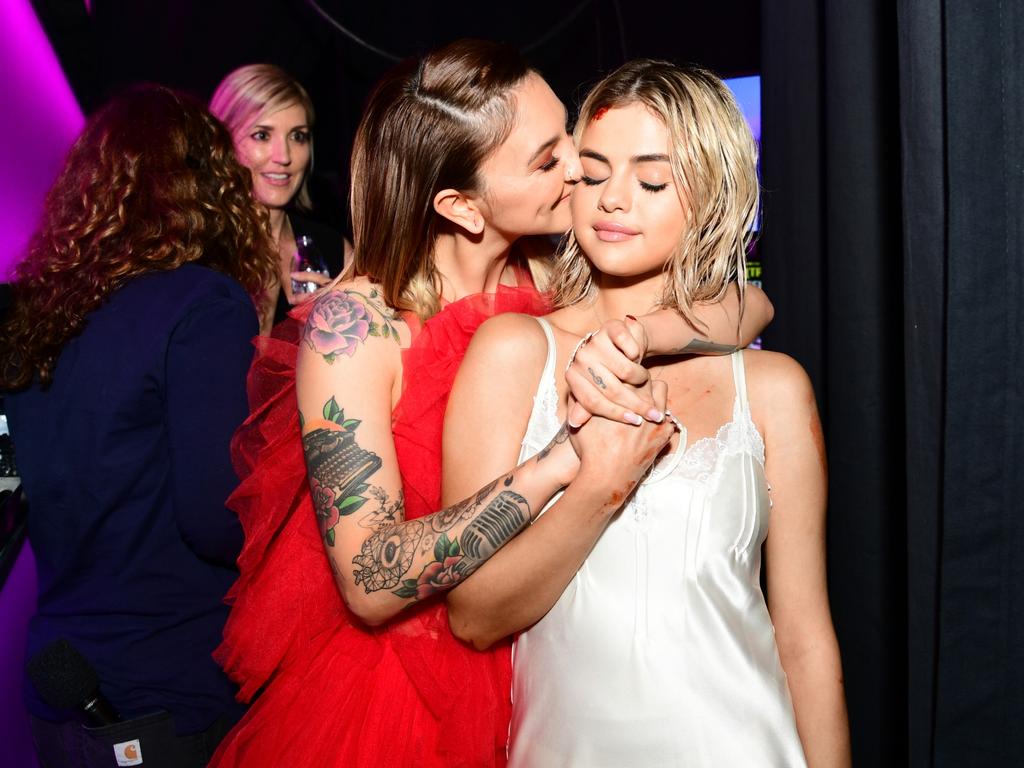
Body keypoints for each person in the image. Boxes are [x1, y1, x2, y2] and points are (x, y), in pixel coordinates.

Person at [211, 41, 773, 768]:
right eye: (547, 160)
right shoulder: (357, 330)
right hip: (400, 695)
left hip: (548, 665)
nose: (578, 165)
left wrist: (640, 333)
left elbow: (748, 302)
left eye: (567, 134)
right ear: (461, 205)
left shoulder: (552, 270)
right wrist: (560, 465)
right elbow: (371, 582)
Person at [444, 60, 851, 767]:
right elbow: (474, 615)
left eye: (652, 180)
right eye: (594, 173)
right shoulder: (513, 353)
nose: (613, 200)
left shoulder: (773, 386)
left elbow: (806, 639)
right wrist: (600, 483)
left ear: (710, 193)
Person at [0, 85, 277, 767]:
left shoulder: (34, 317)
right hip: (168, 686)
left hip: (62, 678)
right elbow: (215, 519)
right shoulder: (202, 303)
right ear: (209, 190)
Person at [211, 63, 349, 332]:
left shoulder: (334, 251)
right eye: (261, 135)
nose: (284, 156)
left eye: (298, 136)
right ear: (220, 143)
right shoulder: (197, 248)